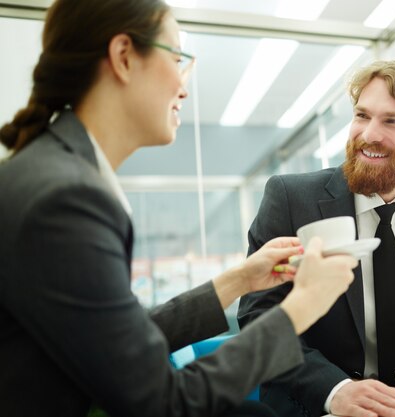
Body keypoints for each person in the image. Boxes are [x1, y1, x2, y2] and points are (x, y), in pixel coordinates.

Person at [0, 1, 358, 416]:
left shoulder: (56, 173)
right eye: (178, 58)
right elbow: (159, 402)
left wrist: (239, 280)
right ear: (123, 57)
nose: (185, 87)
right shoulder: (66, 198)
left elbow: (122, 342)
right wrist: (302, 306)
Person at [238, 58, 395, 417]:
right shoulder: (291, 199)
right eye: (362, 115)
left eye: (392, 121)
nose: (369, 133)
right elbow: (259, 315)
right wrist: (335, 389)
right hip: (315, 405)